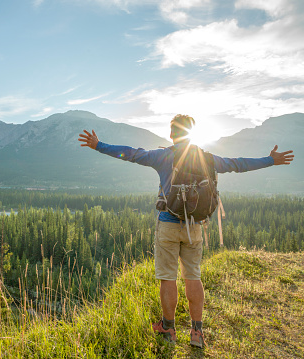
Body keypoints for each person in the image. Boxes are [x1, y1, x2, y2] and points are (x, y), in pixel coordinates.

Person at [78, 114, 294, 348]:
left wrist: (98, 145)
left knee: (167, 277)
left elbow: (131, 153)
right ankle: (197, 333)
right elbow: (238, 164)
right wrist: (270, 160)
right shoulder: (208, 159)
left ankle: (168, 329)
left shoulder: (162, 156)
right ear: (193, 132)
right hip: (195, 226)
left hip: (168, 224)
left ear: (171, 134)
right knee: (193, 276)